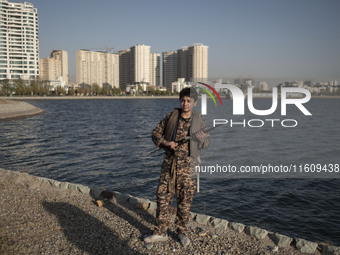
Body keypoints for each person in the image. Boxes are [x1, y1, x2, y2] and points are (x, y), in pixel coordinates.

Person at [144, 87, 210, 247]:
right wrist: (166, 142)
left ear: (194, 102)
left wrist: (201, 140)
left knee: (185, 201)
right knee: (163, 198)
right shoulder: (171, 117)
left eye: (189, 101)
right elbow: (155, 134)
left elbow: (207, 144)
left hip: (189, 169)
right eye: (183, 100)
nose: (185, 103)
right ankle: (161, 232)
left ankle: (181, 231)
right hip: (169, 167)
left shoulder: (199, 121)